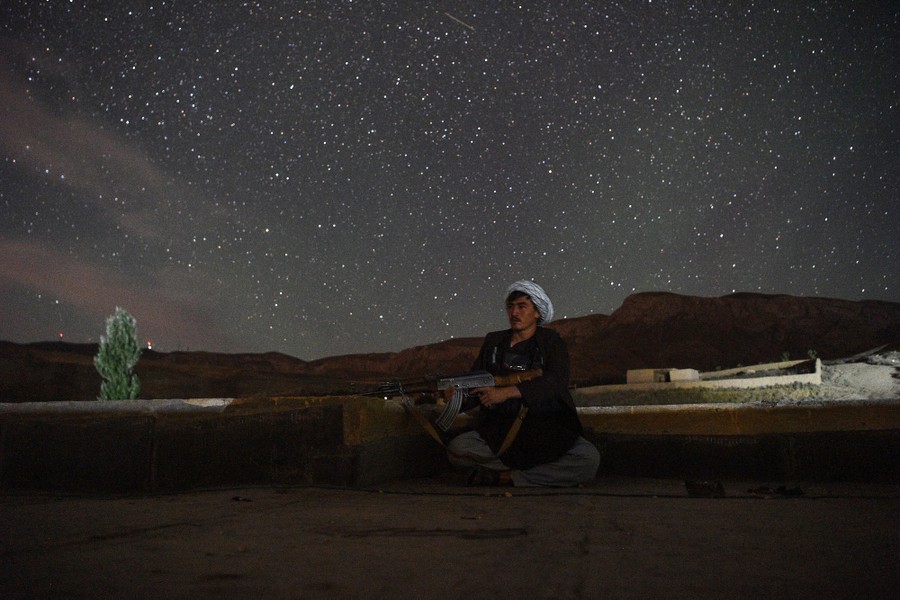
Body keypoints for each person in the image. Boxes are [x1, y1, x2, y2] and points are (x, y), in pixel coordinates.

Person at [446, 280, 600, 487]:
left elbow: (556, 381)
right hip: (500, 430)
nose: (514, 313)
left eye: (522, 306)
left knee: (588, 459)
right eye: (510, 307)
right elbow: (476, 385)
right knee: (457, 450)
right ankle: (537, 474)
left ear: (537, 312)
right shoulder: (494, 343)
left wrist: (507, 392)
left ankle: (507, 477)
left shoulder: (551, 341)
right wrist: (457, 398)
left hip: (546, 429)